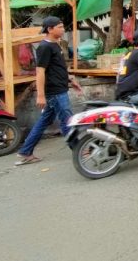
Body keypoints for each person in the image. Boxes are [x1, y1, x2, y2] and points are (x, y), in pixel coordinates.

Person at [16, 16, 82, 165]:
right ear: (50, 29)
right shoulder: (44, 47)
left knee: (44, 121)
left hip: (60, 88)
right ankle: (79, 149)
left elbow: (58, 67)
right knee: (67, 120)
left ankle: (25, 151)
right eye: (60, 27)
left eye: (63, 26)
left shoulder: (56, 44)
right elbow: (40, 72)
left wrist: (71, 79)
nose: (63, 30)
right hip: (55, 92)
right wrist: (40, 95)